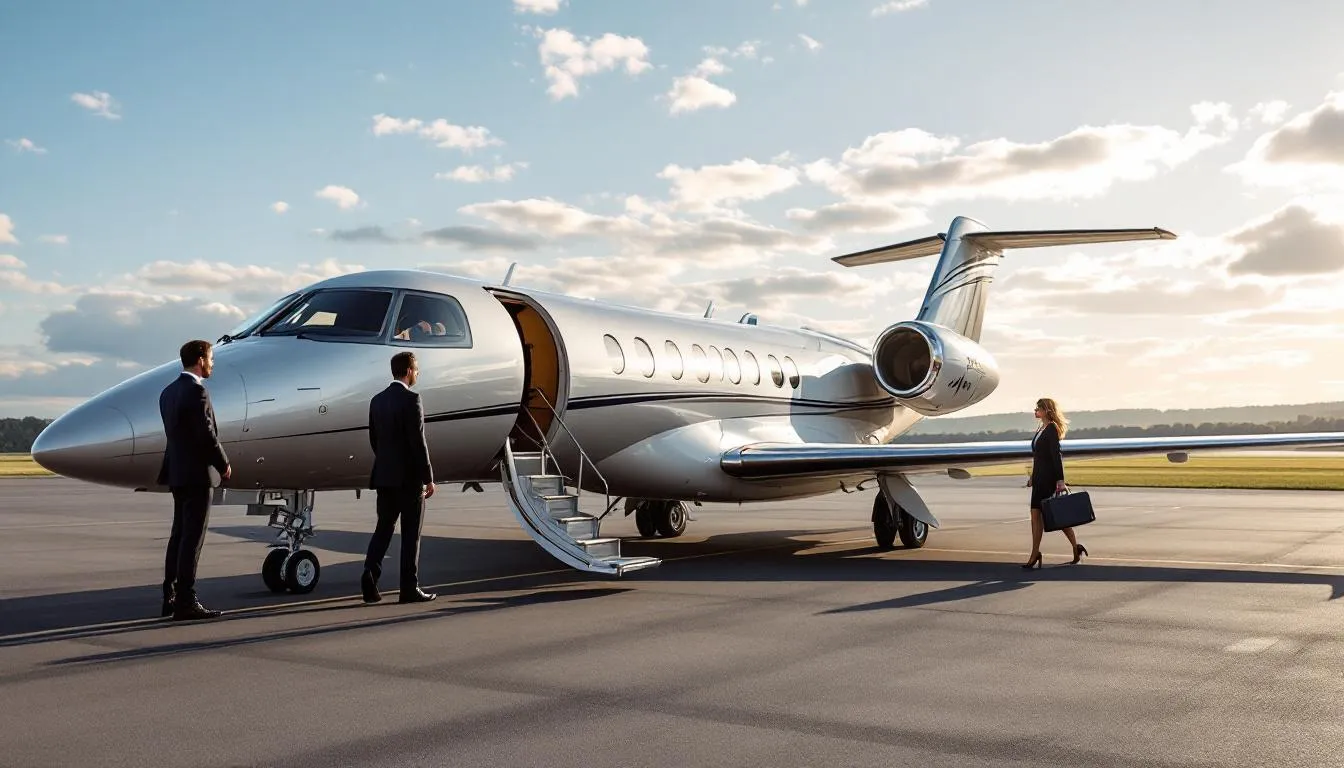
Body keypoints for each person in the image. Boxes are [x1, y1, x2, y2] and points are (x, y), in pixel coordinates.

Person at [158, 339, 231, 620]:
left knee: (178, 536)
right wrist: (223, 463)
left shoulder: (168, 392)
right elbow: (206, 434)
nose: (212, 364)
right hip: (198, 474)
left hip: (176, 472)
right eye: (211, 358)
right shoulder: (197, 392)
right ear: (200, 360)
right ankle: (186, 602)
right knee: (193, 539)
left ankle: (170, 597)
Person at [361, 351, 437, 604]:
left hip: (384, 477)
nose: (417, 374)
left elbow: (375, 439)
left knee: (383, 529)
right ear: (407, 372)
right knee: (410, 535)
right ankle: (408, 589)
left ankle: (369, 579)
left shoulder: (377, 400)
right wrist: (428, 477)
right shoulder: (412, 399)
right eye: (416, 370)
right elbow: (418, 442)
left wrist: (386, 464)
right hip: (409, 480)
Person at [1022, 397, 1087, 569]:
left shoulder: (1051, 429)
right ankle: (1036, 553)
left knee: (1056, 516)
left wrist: (1060, 480)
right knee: (1035, 515)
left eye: (1038, 408)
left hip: (1048, 479)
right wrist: (1032, 477)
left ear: (1046, 410)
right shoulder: (1041, 428)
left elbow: (1056, 456)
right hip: (1039, 479)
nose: (1035, 411)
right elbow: (1038, 457)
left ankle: (1074, 547)